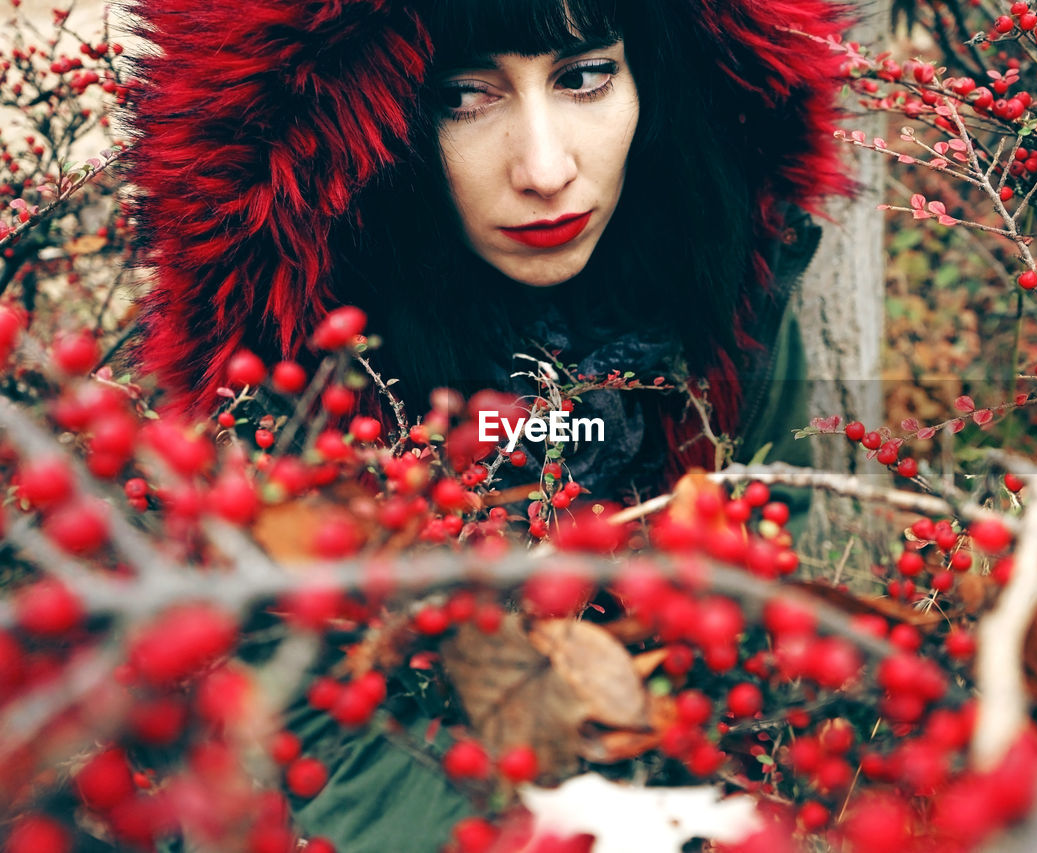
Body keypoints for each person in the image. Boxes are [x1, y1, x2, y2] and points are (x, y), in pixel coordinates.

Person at [125, 0, 854, 848]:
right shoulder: (297, 364)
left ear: (654, 73)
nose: (545, 169)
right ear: (370, 113)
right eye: (462, 96)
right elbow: (312, 718)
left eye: (584, 77)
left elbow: (757, 603)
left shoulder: (722, 287)